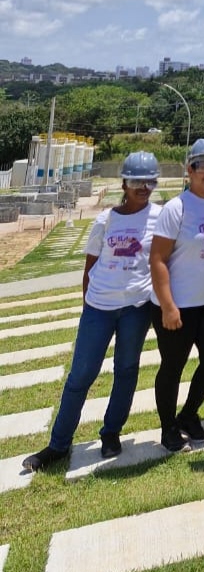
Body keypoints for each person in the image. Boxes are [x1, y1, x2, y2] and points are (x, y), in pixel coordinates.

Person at [22, 152, 163, 472]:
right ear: (124, 183)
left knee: (126, 371)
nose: (144, 187)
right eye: (136, 181)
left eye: (150, 181)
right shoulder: (106, 220)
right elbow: (90, 267)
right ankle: (58, 445)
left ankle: (111, 433)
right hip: (99, 308)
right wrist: (90, 304)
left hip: (136, 308)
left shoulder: (161, 216)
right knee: (80, 376)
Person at [149, 137, 204, 452]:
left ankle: (188, 415)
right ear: (190, 169)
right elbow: (157, 260)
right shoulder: (176, 208)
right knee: (173, 366)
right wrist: (168, 306)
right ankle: (168, 427)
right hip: (178, 305)